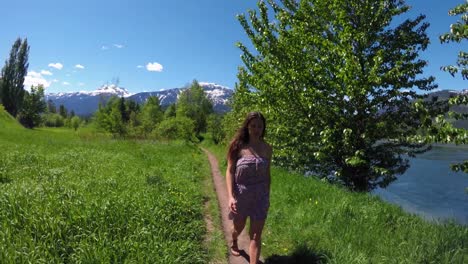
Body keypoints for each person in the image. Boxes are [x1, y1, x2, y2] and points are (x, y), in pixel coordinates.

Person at [226, 111, 272, 264]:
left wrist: (267, 195)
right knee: (238, 228)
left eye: (260, 126)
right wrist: (231, 196)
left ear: (263, 128)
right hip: (241, 194)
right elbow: (230, 170)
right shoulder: (237, 146)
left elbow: (268, 173)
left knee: (256, 235)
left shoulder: (267, 148)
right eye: (253, 125)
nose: (256, 129)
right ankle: (234, 241)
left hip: (260, 197)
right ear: (247, 126)